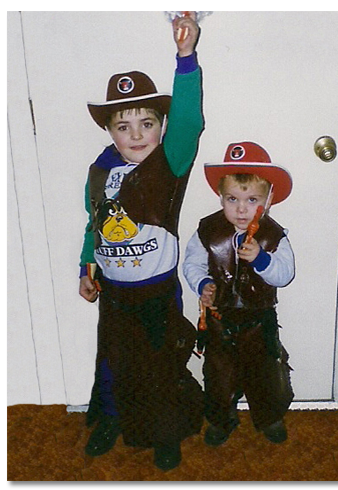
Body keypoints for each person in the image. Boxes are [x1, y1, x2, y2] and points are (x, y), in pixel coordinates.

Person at [79, 13, 204, 471]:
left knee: (159, 367)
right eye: (124, 126)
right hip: (113, 294)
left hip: (155, 293)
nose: (135, 135)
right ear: (110, 130)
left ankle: (165, 432)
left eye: (147, 123)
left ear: (160, 126)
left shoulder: (167, 166)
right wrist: (86, 268)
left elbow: (189, 123)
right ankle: (110, 419)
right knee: (112, 364)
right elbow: (93, 225)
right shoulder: (99, 170)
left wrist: (186, 59)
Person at [183, 141, 295, 447]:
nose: (242, 208)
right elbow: (191, 262)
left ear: (269, 199)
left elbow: (284, 274)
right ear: (221, 196)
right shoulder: (208, 230)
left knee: (267, 375)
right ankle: (220, 420)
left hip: (259, 322)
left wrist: (262, 259)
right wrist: (203, 283)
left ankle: (269, 417)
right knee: (219, 377)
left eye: (252, 199)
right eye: (233, 198)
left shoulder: (274, 236)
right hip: (220, 321)